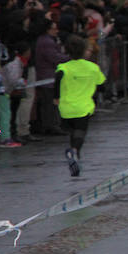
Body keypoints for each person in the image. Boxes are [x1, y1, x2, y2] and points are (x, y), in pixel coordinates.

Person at [53, 35, 105, 177]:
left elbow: (57, 81)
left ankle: (75, 160)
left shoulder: (63, 68)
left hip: (65, 107)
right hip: (83, 106)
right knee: (80, 132)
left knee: (72, 132)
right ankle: (74, 152)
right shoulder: (92, 68)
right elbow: (102, 85)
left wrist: (56, 97)